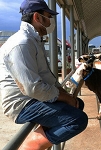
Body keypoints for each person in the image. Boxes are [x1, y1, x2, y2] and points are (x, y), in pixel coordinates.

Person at [0, 0, 88, 149]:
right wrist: (65, 98)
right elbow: (33, 88)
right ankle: (31, 146)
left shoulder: (34, 41)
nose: (50, 21)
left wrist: (66, 96)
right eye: (48, 16)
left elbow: (46, 77)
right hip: (22, 103)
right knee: (78, 120)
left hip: (34, 98)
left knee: (79, 104)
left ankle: (42, 136)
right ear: (37, 17)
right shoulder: (21, 44)